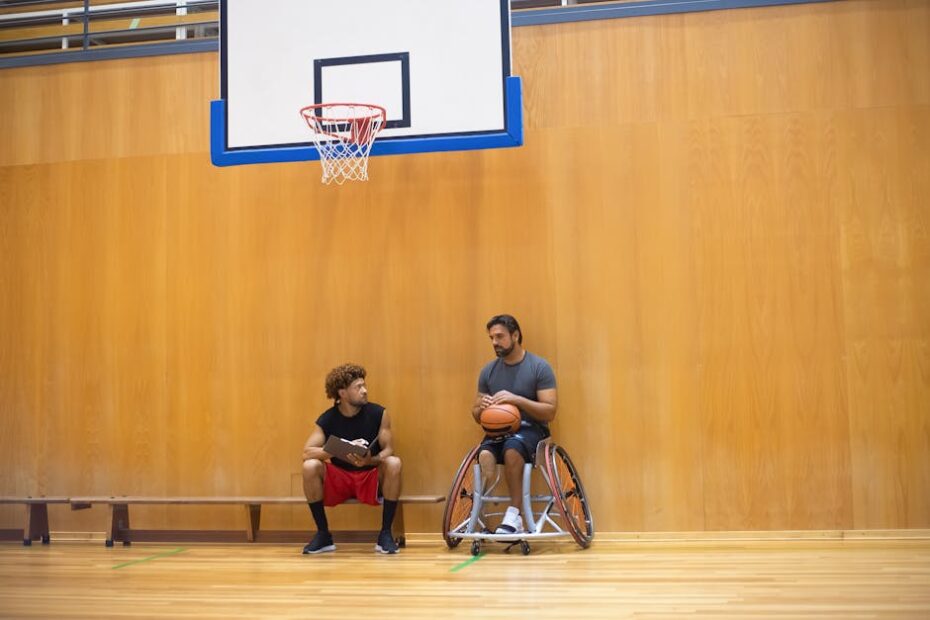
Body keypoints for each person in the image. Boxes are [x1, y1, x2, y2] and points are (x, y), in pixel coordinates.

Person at [301, 363, 403, 554]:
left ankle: (385, 534)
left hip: (370, 475)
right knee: (310, 466)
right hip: (340, 478)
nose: (365, 391)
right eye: (358, 387)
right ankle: (323, 535)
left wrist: (371, 460)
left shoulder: (378, 413)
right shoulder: (328, 419)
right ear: (342, 393)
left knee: (394, 463)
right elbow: (307, 452)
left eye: (364, 385)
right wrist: (338, 449)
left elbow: (389, 450)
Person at [472, 314, 557, 536]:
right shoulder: (488, 371)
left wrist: (516, 400)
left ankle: (514, 514)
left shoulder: (539, 367)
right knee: (485, 453)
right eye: (491, 338)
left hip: (532, 430)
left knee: (512, 449)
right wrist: (482, 406)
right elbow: (475, 414)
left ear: (516, 335)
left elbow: (550, 410)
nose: (494, 342)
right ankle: (480, 512)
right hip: (497, 430)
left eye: (499, 336)